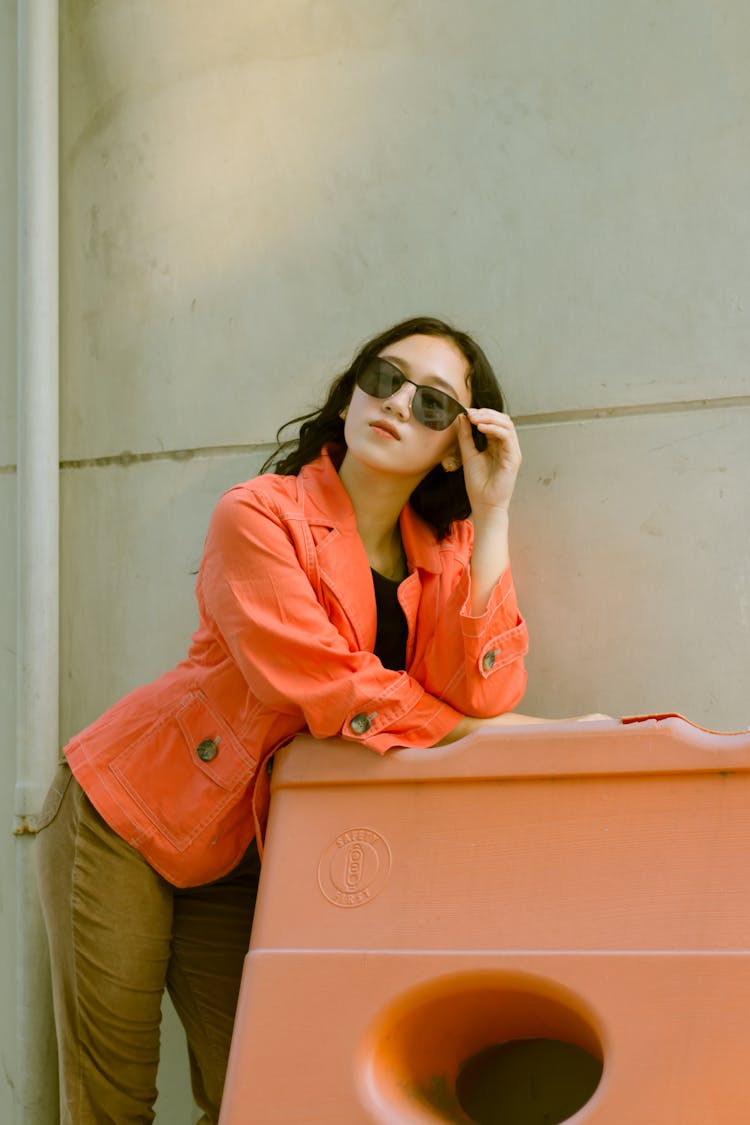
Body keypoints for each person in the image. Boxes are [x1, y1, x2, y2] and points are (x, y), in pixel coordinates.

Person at [35, 315, 605, 1124]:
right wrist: (531, 735)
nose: (399, 402)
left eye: (435, 403)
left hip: (245, 844)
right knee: (112, 1104)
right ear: (348, 398)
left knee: (255, 1093)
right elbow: (339, 690)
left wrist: (494, 512)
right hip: (125, 814)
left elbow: (482, 691)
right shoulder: (258, 514)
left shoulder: (438, 549)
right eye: (383, 377)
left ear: (455, 444)